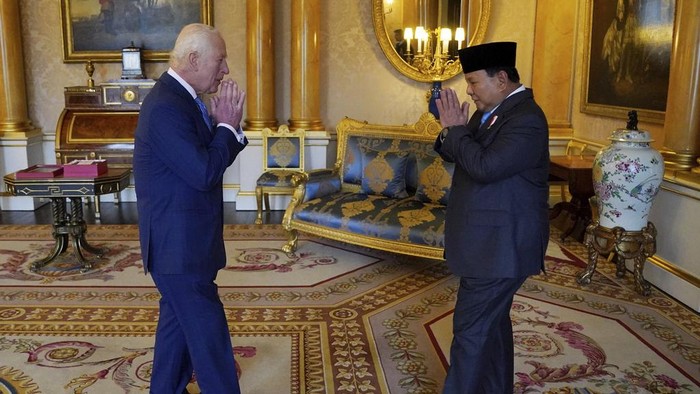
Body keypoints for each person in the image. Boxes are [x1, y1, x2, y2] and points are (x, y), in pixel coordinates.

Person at [133, 23, 247, 394]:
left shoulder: (182, 99)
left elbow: (197, 163)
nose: (226, 69)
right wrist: (227, 128)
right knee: (210, 343)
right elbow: (203, 173)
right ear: (194, 59)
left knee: (176, 333)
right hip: (177, 251)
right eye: (220, 59)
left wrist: (221, 128)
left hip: (184, 246)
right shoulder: (166, 106)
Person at [434, 41, 550, 393]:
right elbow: (460, 151)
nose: (469, 91)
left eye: (472, 82)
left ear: (501, 79)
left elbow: (484, 166)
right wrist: (450, 130)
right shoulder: (494, 110)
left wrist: (455, 131)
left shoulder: (526, 118)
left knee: (470, 332)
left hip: (500, 248)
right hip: (488, 245)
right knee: (491, 328)